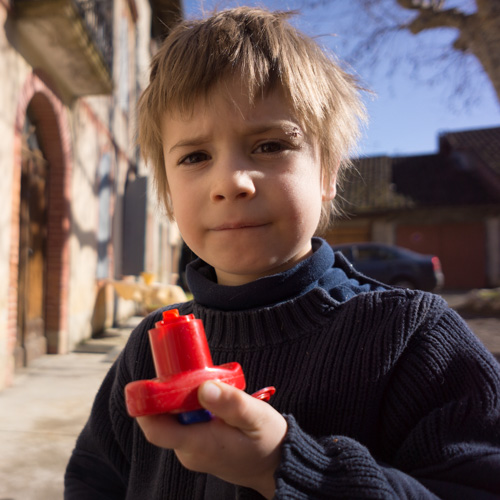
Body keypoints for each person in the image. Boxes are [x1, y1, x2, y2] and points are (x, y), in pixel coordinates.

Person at [65, 7, 500, 499]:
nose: (230, 181)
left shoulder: (413, 337)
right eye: (195, 157)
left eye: (270, 145)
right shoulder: (147, 348)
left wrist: (284, 464)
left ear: (328, 174)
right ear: (166, 191)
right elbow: (93, 481)